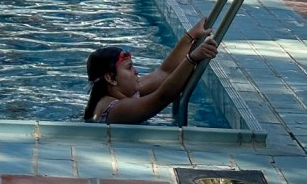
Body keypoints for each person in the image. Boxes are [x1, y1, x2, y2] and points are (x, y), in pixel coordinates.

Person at [83, 19, 220, 124]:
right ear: (110, 78)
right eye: (129, 68)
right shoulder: (114, 109)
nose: (136, 72)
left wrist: (191, 35)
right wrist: (192, 58)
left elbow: (164, 73)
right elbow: (162, 97)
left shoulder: (125, 90)